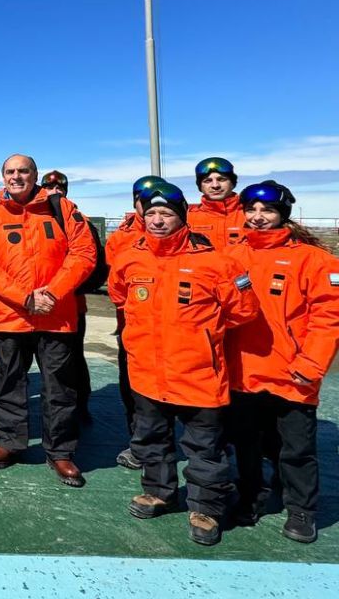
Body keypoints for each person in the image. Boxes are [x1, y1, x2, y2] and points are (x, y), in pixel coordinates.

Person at [108, 182, 258, 546]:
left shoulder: (217, 262)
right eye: (152, 214)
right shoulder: (130, 258)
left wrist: (201, 336)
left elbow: (244, 310)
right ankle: (159, 491)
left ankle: (205, 507)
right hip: (146, 373)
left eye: (167, 214)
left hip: (199, 375)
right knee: (152, 438)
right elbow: (118, 293)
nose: (158, 221)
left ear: (182, 218)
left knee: (205, 447)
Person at [0, 155, 96, 486]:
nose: (16, 177)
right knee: (10, 382)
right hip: (10, 316)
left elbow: (84, 254)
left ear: (35, 175)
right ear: (2, 178)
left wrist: (52, 293)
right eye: (10, 172)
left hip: (56, 316)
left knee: (60, 387)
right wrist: (25, 298)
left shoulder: (62, 208)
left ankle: (60, 452)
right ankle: (10, 442)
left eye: (23, 171)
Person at [223, 181, 339, 544]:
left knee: (296, 449)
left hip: (293, 375)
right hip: (243, 372)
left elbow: (329, 317)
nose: (258, 217)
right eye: (252, 210)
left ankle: (302, 509)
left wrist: (311, 364)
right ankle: (251, 496)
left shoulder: (314, 260)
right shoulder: (230, 256)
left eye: (268, 210)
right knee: (247, 443)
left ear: (283, 213)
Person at [105, 174, 166, 470]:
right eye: (145, 202)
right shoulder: (121, 238)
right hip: (134, 326)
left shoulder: (185, 233)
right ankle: (139, 440)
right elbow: (115, 284)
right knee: (134, 386)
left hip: (179, 329)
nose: (153, 213)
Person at [40, 169, 95, 424]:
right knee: (49, 365)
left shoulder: (78, 219)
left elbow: (95, 264)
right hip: (38, 304)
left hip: (72, 304)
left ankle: (79, 408)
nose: (54, 192)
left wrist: (71, 287)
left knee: (73, 360)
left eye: (59, 188)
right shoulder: (37, 219)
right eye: (49, 188)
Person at [187, 157, 245, 249]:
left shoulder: (251, 215)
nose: (215, 185)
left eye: (221, 179)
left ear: (232, 183)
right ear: (200, 186)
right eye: (208, 181)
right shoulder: (187, 219)